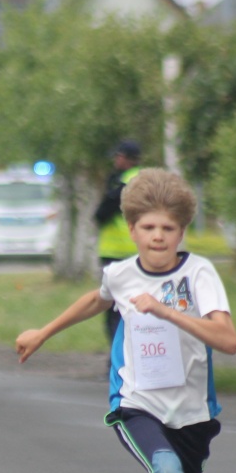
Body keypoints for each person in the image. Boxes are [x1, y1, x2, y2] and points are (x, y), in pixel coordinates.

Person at [16, 168, 236, 473]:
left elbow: (228, 339)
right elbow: (94, 300)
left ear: (182, 231)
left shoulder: (198, 273)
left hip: (194, 413)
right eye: (148, 227)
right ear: (133, 228)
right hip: (136, 405)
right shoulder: (120, 274)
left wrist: (167, 310)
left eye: (168, 229)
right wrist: (42, 332)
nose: (158, 237)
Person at [94, 139, 142, 344]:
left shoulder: (125, 182)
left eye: (118, 156)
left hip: (118, 250)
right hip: (135, 249)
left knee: (115, 308)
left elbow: (103, 212)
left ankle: (117, 358)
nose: (115, 160)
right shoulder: (142, 178)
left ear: (125, 158)